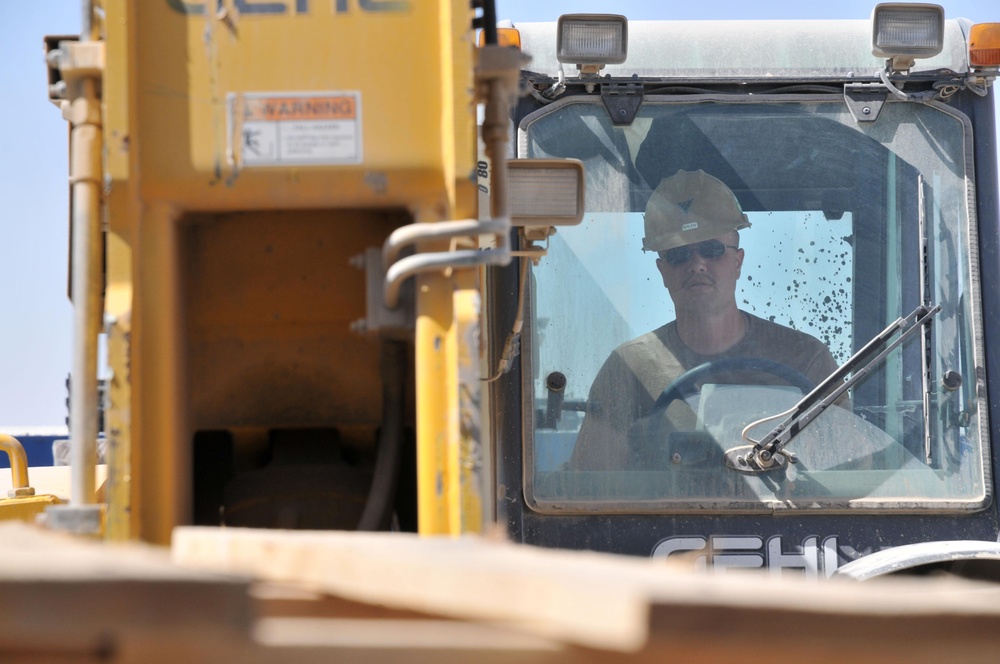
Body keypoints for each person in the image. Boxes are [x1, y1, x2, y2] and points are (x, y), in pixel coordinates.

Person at [569, 169, 840, 470]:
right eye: (678, 254)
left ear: (738, 261)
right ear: (662, 271)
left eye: (712, 249)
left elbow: (846, 483)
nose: (697, 264)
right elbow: (593, 483)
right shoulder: (628, 370)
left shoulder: (805, 359)